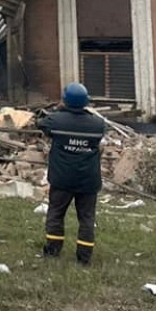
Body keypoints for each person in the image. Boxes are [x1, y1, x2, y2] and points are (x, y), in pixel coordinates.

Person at [38, 82, 107, 266]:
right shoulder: (98, 124)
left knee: (56, 213)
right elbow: (100, 143)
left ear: (65, 100)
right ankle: (84, 257)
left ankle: (52, 250)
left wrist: (60, 109)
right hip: (88, 180)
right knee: (86, 218)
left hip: (62, 178)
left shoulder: (56, 121)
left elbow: (41, 123)